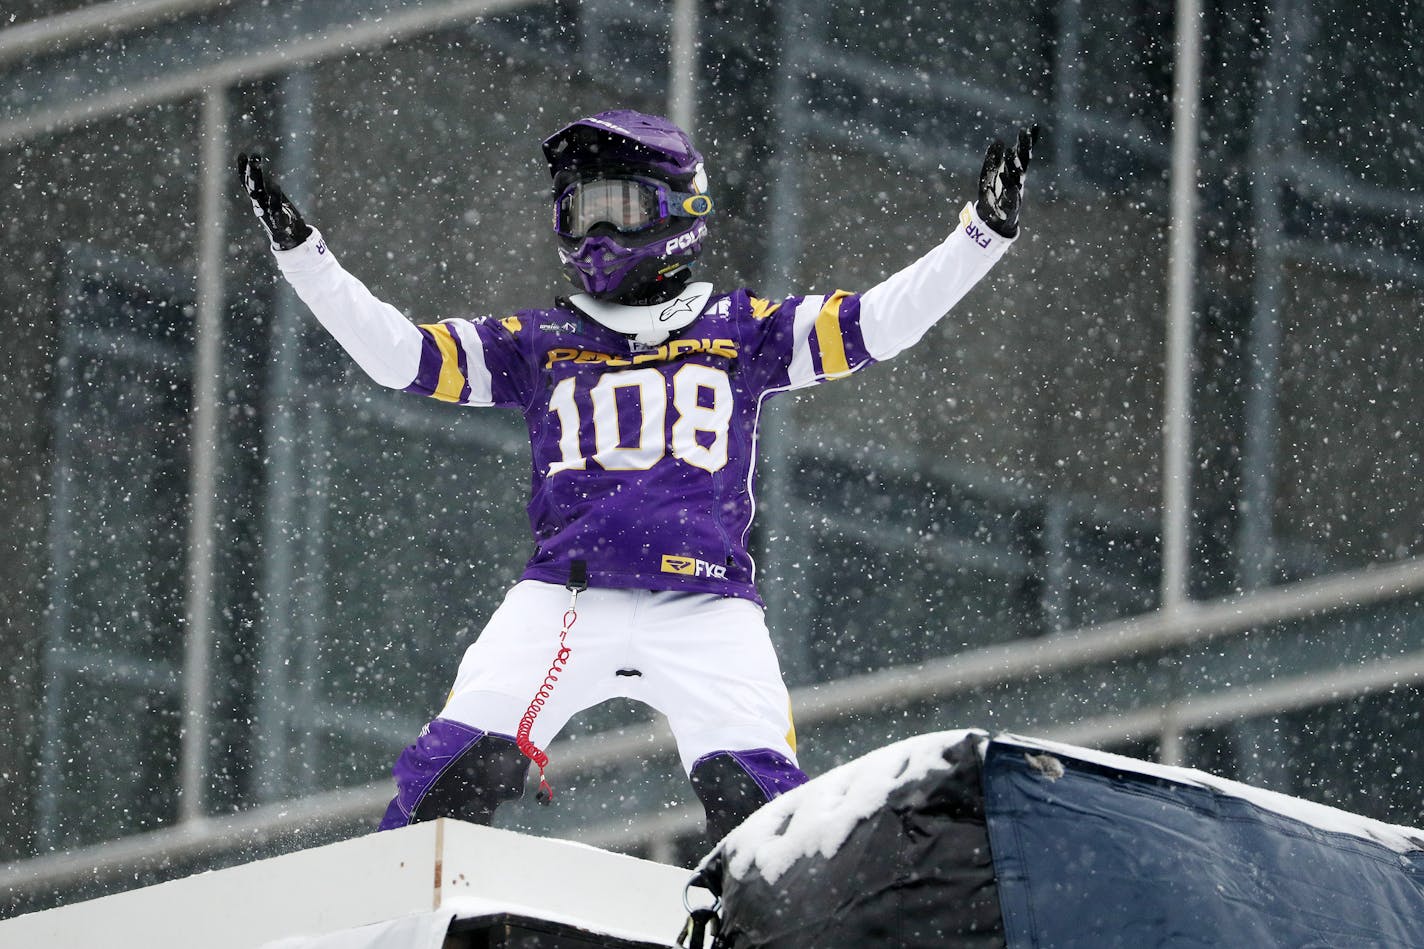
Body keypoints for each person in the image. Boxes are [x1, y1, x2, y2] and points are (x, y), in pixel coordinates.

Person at [238, 109, 1035, 843]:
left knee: (766, 814)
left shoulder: (742, 330)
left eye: (617, 206)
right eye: (578, 210)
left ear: (678, 211)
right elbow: (401, 357)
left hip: (707, 605)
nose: (594, 232)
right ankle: (395, 929)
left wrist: (981, 235)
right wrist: (306, 258)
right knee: (446, 777)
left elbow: (876, 324)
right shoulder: (540, 338)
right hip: (565, 600)